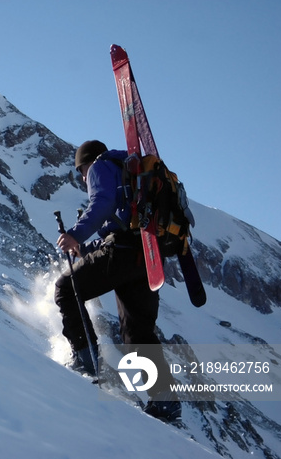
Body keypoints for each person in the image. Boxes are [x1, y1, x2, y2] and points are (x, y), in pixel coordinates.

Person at [54, 140, 181, 421]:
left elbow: (103, 203)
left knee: (65, 289)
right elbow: (121, 221)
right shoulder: (131, 173)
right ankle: (165, 401)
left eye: (81, 172)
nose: (83, 178)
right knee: (136, 334)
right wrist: (87, 248)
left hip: (122, 253)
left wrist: (76, 234)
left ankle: (86, 363)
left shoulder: (99, 166)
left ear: (84, 163)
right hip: (146, 257)